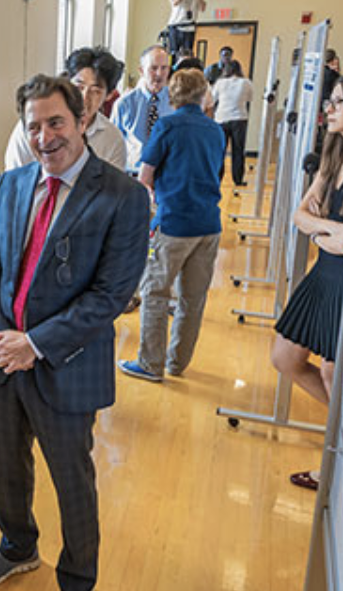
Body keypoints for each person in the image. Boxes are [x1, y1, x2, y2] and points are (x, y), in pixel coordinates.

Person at [0, 74, 149, 591]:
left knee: (72, 481)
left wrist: (35, 344)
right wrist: (4, 339)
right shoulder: (13, 184)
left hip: (65, 366)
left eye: (56, 123)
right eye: (33, 126)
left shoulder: (124, 196)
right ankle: (18, 546)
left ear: (82, 120)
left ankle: (77, 584)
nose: (45, 136)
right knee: (6, 465)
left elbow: (110, 294)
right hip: (3, 361)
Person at [271, 69, 343, 490]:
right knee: (285, 358)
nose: (330, 110)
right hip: (323, 272)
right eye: (330, 102)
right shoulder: (334, 154)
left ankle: (342, 451)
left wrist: (317, 227)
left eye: (340, 102)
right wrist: (324, 228)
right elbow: (299, 217)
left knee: (331, 375)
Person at [117, 68, 225, 383]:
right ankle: (177, 363)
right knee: (193, 297)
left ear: (171, 95)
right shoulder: (215, 131)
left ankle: (151, 364)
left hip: (174, 224)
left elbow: (145, 179)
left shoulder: (167, 126)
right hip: (209, 224)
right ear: (203, 94)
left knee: (155, 291)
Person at [5, 46, 126, 172]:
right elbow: (15, 179)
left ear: (109, 95)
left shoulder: (112, 138)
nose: (84, 98)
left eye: (95, 91)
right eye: (79, 87)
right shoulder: (33, 127)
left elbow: (114, 188)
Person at [111, 45, 174, 175]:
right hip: (133, 175)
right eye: (153, 68)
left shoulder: (177, 102)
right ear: (141, 71)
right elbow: (113, 144)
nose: (159, 74)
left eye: (164, 68)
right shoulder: (124, 104)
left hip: (167, 176)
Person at [212, 60, 254, 186]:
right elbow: (250, 98)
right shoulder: (246, 83)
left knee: (220, 151)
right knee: (238, 150)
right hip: (239, 119)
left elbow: (213, 99)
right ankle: (238, 179)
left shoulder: (220, 83)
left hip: (221, 119)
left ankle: (217, 179)